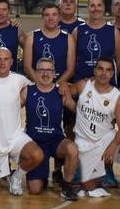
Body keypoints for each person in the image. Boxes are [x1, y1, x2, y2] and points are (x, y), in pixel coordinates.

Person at [66, 59, 120, 203]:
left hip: (106, 139)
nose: (103, 73)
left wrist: (113, 146)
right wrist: (63, 87)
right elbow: (66, 90)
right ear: (94, 71)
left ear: (112, 73)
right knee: (89, 187)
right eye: (100, 69)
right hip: (85, 143)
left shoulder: (116, 96)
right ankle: (94, 174)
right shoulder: (83, 85)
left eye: (108, 70)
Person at [0, 48, 46, 196]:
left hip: (15, 136)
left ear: (12, 62)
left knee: (37, 155)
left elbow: (36, 86)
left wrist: (23, 100)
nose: (2, 62)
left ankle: (16, 177)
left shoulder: (19, 79)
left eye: (6, 59)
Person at [24, 57, 81, 198]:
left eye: (49, 70)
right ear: (36, 73)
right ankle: (43, 175)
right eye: (41, 70)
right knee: (35, 190)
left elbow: (78, 110)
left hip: (56, 141)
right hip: (35, 144)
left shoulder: (61, 92)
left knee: (72, 149)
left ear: (54, 73)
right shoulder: (27, 91)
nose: (45, 73)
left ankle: (66, 185)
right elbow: (10, 110)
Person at [69, 0, 120, 83]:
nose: (96, 9)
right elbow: (71, 62)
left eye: (99, 5)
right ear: (88, 8)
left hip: (107, 85)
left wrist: (104, 77)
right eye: (92, 5)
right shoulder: (78, 31)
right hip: (82, 84)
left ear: (104, 7)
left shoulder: (113, 31)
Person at [24, 3, 73, 83]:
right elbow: (27, 67)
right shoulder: (31, 37)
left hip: (59, 87)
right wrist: (40, 85)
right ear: (43, 17)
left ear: (59, 17)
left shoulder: (68, 38)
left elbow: (70, 70)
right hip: (37, 85)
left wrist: (55, 87)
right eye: (47, 15)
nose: (51, 18)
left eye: (54, 14)